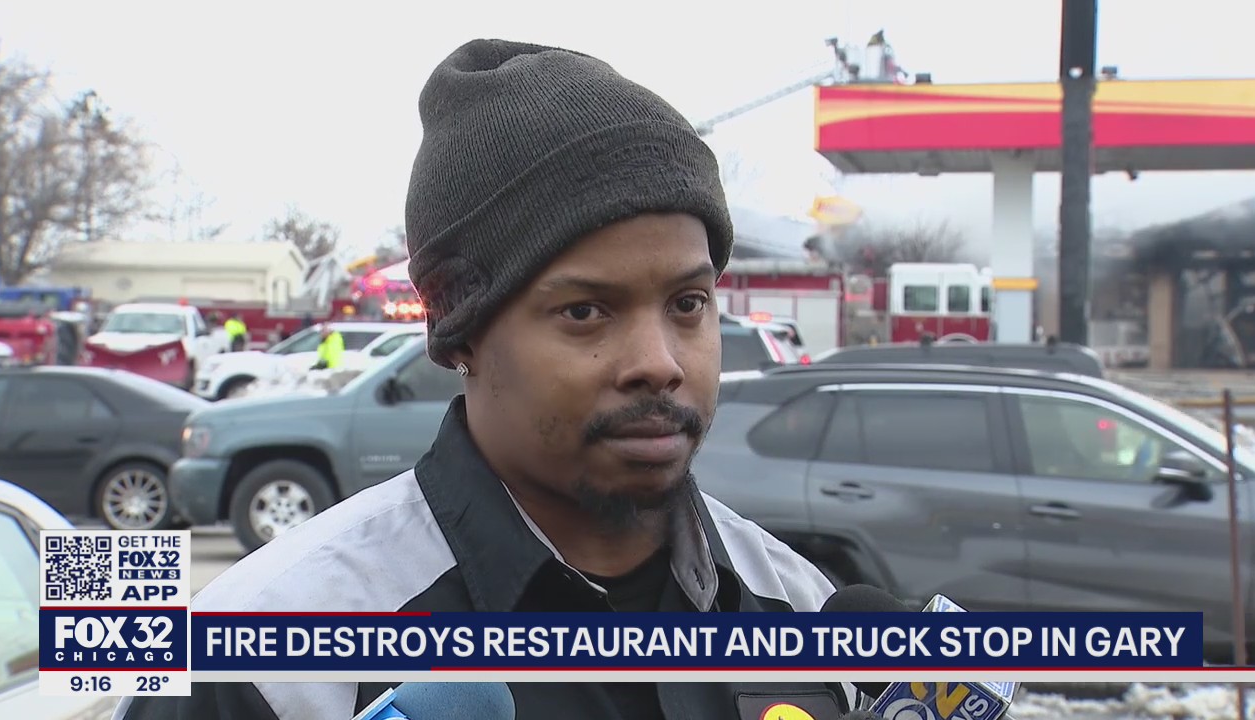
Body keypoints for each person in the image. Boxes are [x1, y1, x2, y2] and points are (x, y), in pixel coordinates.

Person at [115, 39, 850, 720]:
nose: (659, 362)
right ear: (461, 330)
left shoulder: (801, 612)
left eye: (687, 304)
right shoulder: (262, 663)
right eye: (585, 311)